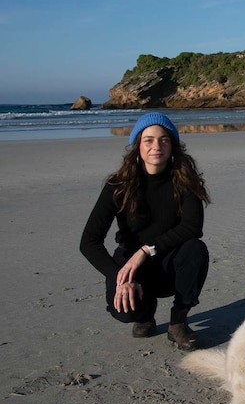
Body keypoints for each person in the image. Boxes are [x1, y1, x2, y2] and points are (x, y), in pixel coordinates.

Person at [80, 112, 211, 351]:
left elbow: (192, 227)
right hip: (132, 266)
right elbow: (89, 241)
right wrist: (118, 277)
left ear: (172, 145)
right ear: (137, 145)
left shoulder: (184, 182)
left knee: (196, 249)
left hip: (170, 263)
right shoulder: (118, 186)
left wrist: (147, 250)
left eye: (164, 139)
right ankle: (144, 315)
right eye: (148, 140)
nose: (156, 146)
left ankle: (178, 322)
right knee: (124, 312)